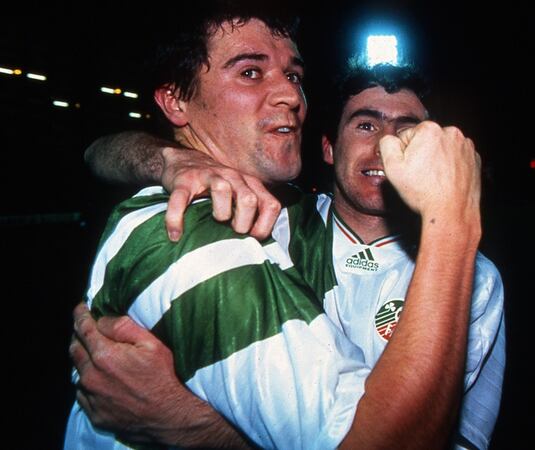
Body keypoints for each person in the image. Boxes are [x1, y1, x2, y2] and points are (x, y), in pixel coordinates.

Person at [65, 3, 484, 449]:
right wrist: (453, 220)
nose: (290, 95)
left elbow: (98, 153)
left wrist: (196, 428)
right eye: (250, 72)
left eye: (294, 76)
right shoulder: (196, 236)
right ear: (175, 100)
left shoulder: (287, 214)